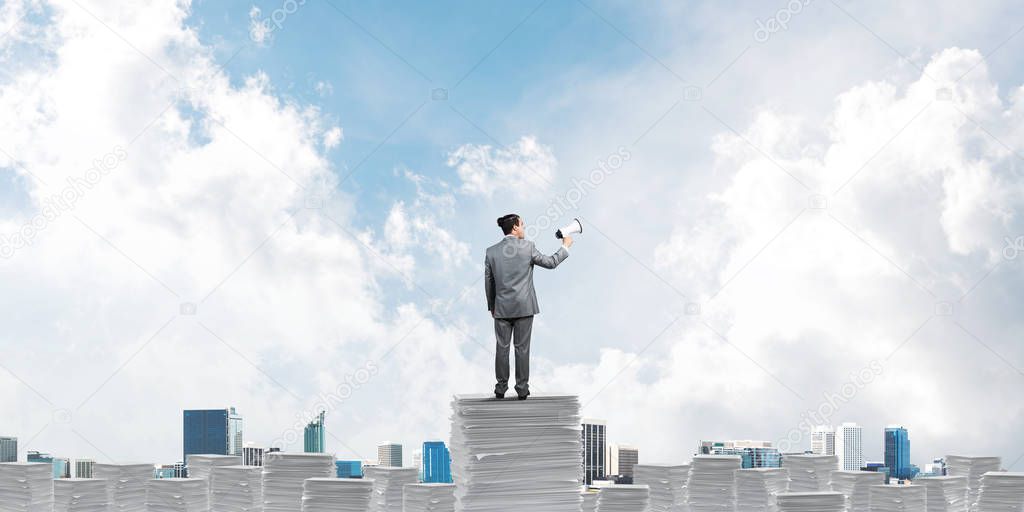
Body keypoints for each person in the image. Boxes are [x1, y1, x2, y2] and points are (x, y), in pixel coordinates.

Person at [484, 213, 573, 400]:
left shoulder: (491, 251)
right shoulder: (528, 247)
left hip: (501, 308)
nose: (524, 228)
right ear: (515, 228)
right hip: (524, 307)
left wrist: (492, 306)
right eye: (522, 224)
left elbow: (489, 282)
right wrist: (565, 246)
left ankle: (500, 388)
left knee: (502, 348)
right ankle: (522, 390)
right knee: (522, 349)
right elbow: (550, 263)